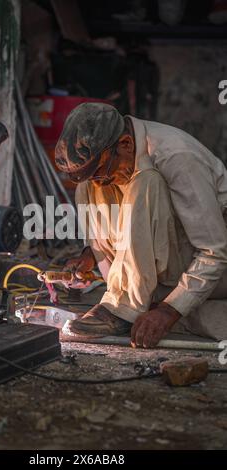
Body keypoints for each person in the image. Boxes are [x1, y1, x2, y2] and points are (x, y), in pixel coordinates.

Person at [55, 102, 227, 348]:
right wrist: (92, 255)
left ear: (125, 144)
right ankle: (122, 296)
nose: (102, 183)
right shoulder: (120, 157)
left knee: (146, 182)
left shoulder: (177, 157)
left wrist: (169, 311)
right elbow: (132, 221)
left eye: (104, 172)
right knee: (88, 186)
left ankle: (124, 307)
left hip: (218, 270)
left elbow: (215, 252)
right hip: (170, 262)